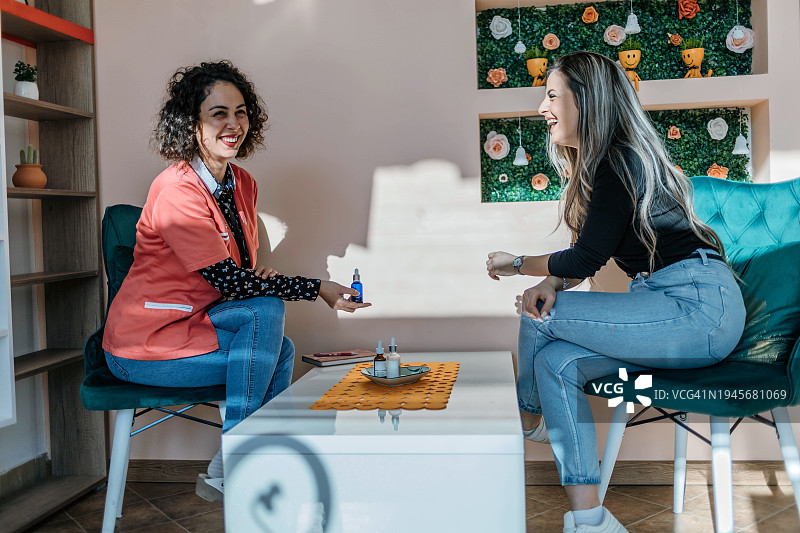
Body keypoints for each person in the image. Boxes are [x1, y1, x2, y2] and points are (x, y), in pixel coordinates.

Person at [486, 51, 745, 533]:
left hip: (698, 307)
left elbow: (583, 260)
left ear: (586, 100)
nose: (542, 108)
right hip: (670, 305)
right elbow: (588, 255)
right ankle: (591, 520)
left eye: (552, 96)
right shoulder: (613, 163)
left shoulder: (619, 160)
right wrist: (550, 280)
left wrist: (517, 264)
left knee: (537, 315)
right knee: (555, 362)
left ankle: (526, 422)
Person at [102, 60, 370, 500]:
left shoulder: (242, 183)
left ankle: (234, 467)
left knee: (279, 344)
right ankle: (246, 465)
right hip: (142, 347)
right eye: (219, 114)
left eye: (241, 112)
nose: (234, 124)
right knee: (268, 316)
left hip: (193, 325)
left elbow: (236, 272)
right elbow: (229, 279)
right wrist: (317, 288)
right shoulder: (176, 190)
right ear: (192, 124)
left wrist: (255, 278)